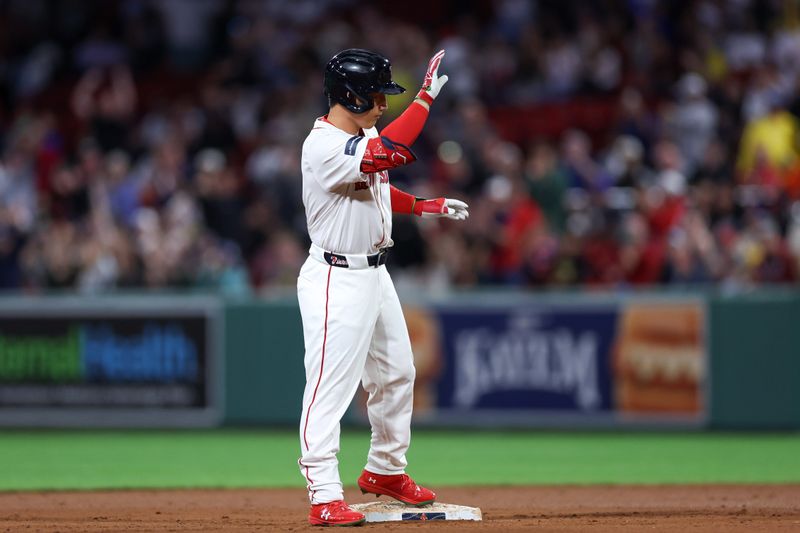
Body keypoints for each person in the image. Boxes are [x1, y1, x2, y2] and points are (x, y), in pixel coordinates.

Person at [297, 48, 468, 527]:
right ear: (349, 96)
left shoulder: (360, 131)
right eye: (376, 95)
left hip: (374, 272)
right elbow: (388, 153)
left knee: (398, 373)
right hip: (336, 276)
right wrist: (424, 102)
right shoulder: (323, 145)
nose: (382, 104)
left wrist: (420, 206)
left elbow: (373, 185)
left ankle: (386, 470)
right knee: (329, 390)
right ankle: (324, 494)